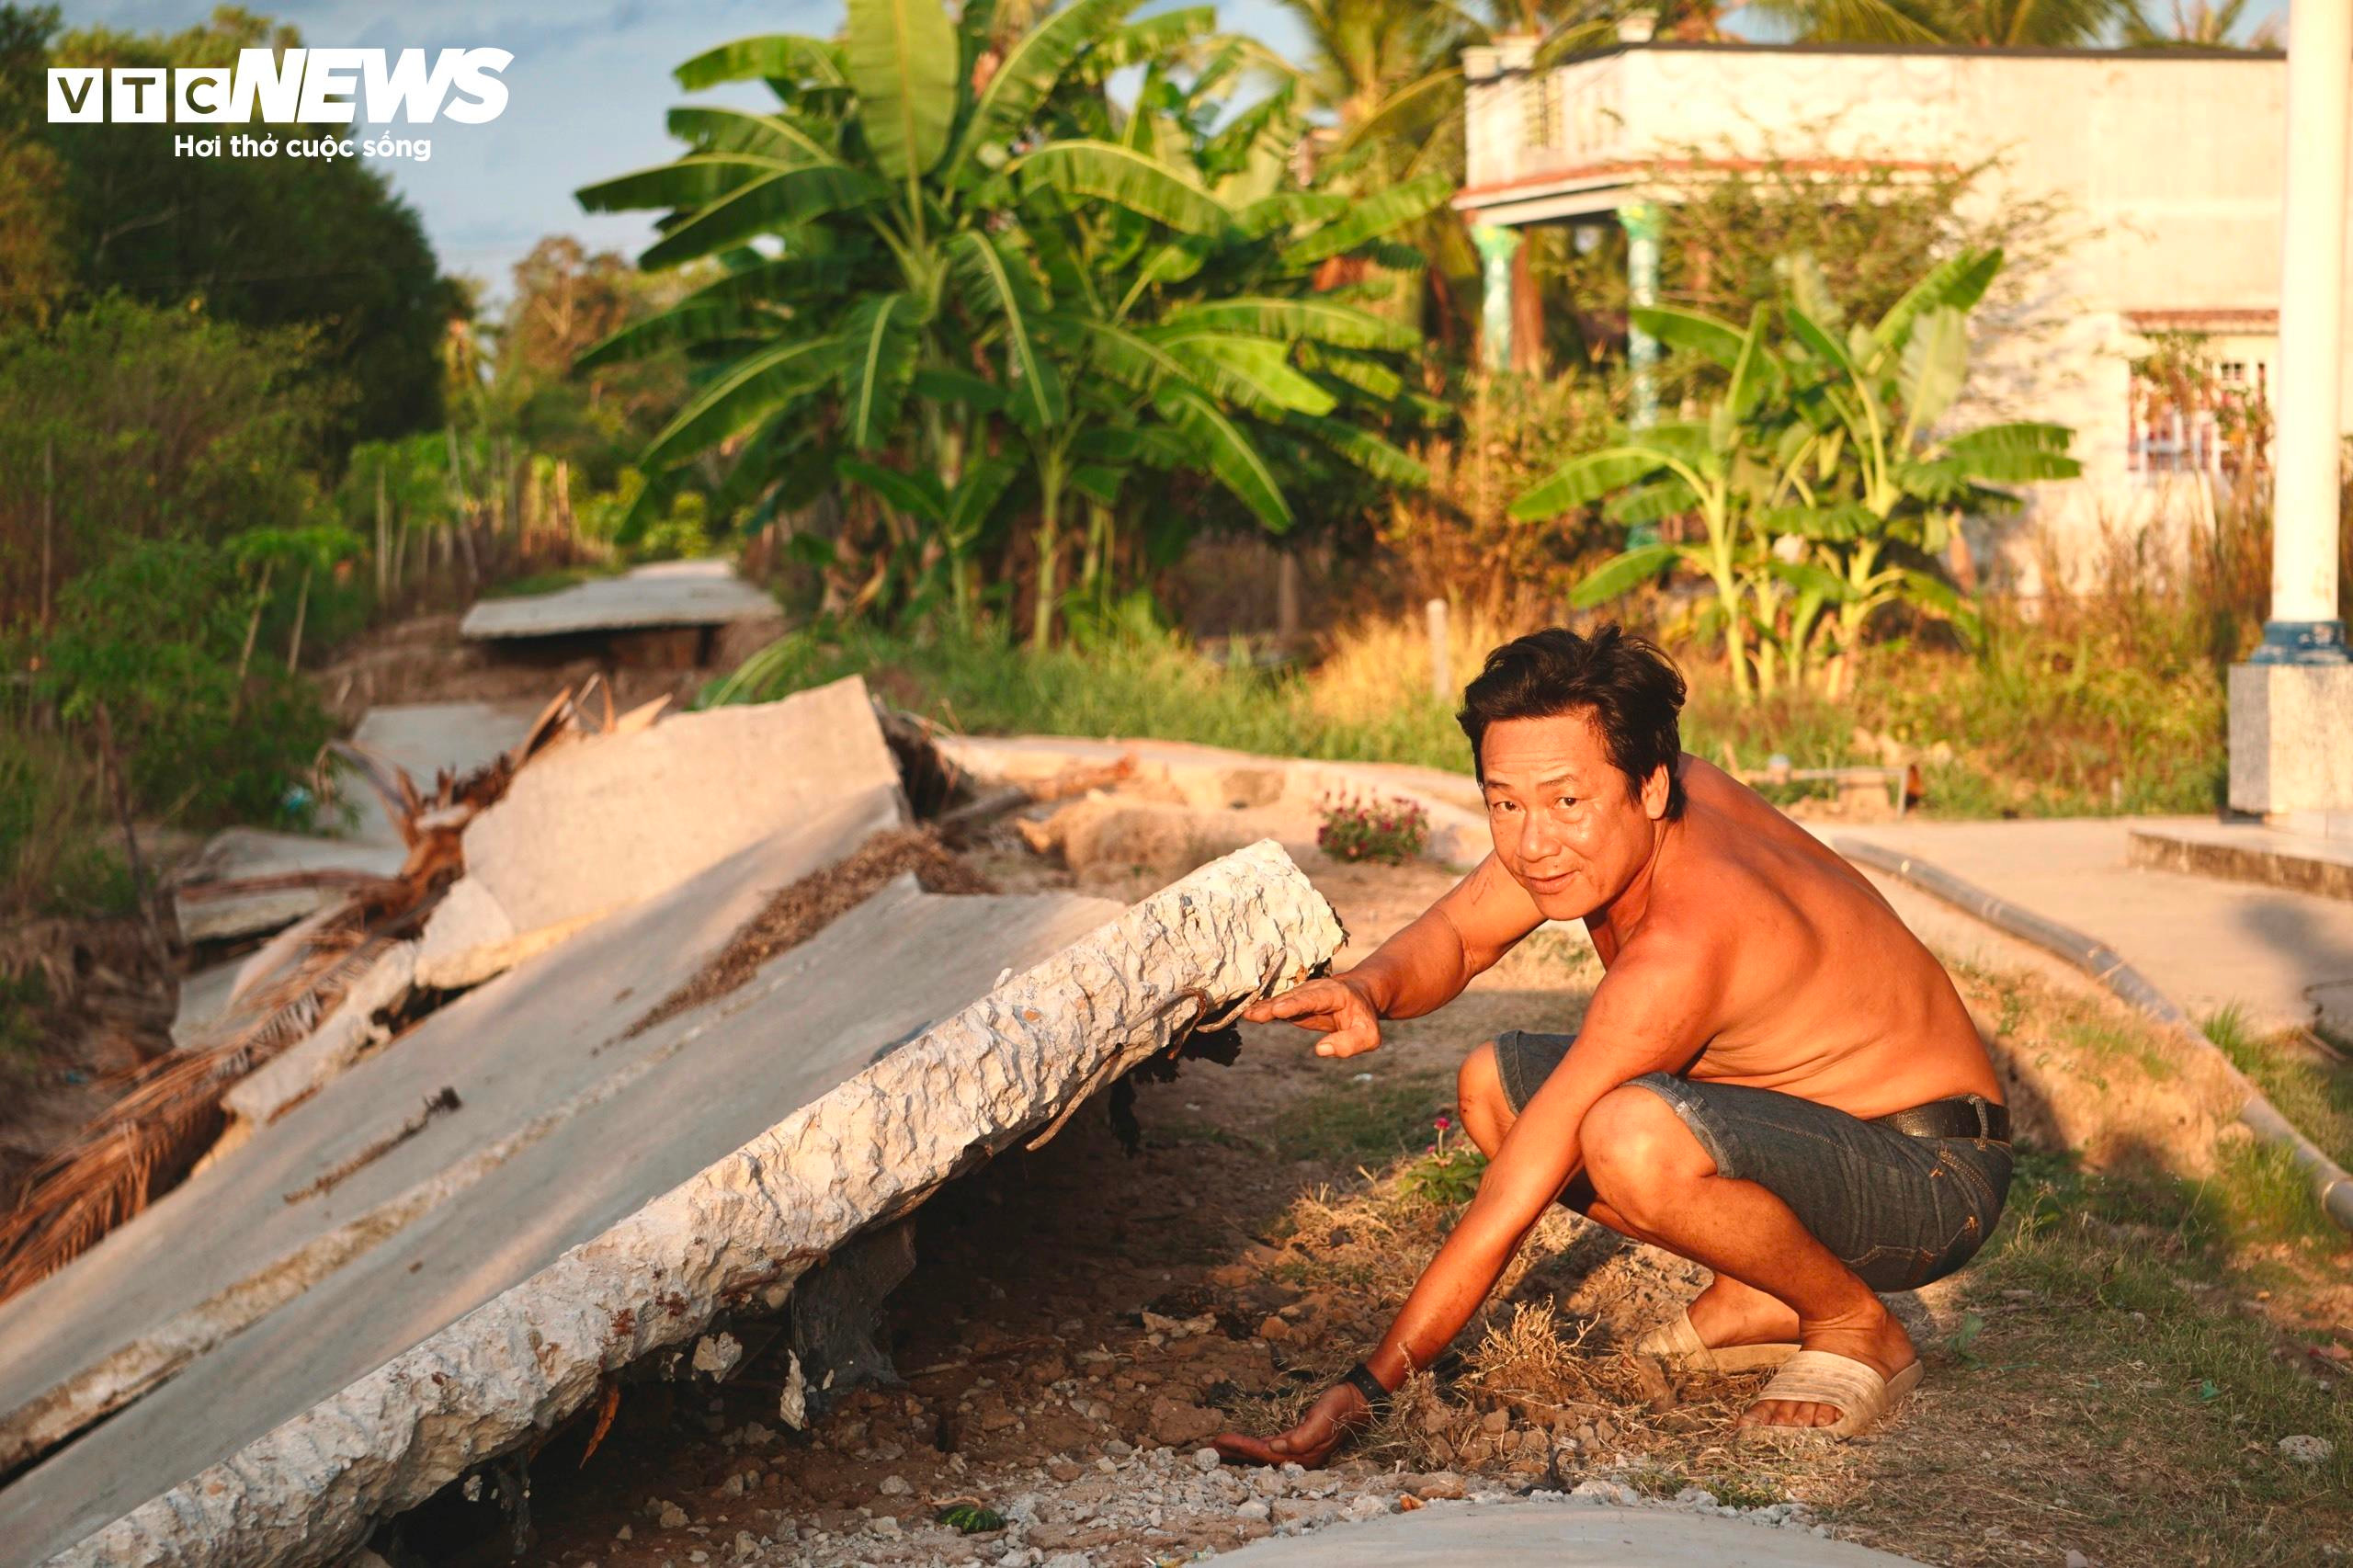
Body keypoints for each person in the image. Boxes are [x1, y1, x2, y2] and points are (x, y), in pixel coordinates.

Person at [1212, 625, 2009, 1467]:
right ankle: (1761, 1287)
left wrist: (1372, 1384)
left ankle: (1857, 1326)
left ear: (1652, 788)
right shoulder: (1625, 791)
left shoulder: (1686, 940)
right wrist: (1367, 987)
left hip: (1928, 1173)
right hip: (1802, 1127)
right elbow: (1460, 934)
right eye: (1503, 802)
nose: (1530, 843)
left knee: (1627, 1133)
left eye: (1564, 803)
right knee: (1494, 1084)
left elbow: (1512, 1196)